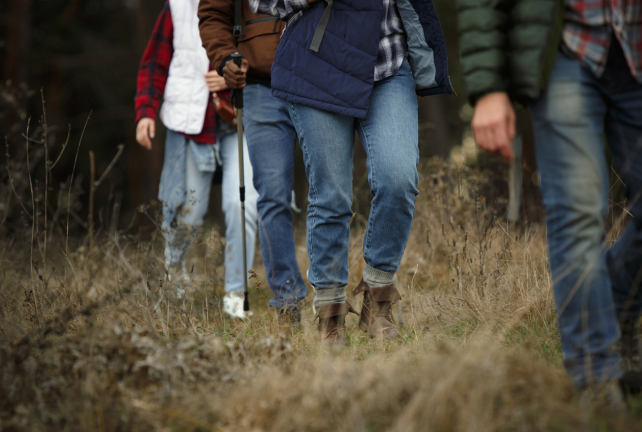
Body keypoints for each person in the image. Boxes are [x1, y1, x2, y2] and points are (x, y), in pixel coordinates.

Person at [458, 0, 642, 408]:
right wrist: (488, 87)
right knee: (577, 214)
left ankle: (615, 299)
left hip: (634, 43)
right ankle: (595, 380)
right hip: (565, 47)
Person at [249, 0, 454, 346]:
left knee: (398, 179)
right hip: (317, 64)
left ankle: (379, 293)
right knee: (331, 195)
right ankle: (329, 311)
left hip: (388, 61)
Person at [134, 0, 259, 319]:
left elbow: (269, 53)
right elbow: (154, 64)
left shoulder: (251, 3)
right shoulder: (176, 7)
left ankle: (235, 296)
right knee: (185, 211)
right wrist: (146, 112)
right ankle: (175, 288)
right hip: (187, 124)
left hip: (240, 122)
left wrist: (236, 74)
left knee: (242, 205)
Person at [198, 0, 308, 329]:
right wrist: (224, 58)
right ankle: (288, 304)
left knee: (327, 190)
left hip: (317, 77)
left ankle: (331, 295)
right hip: (260, 84)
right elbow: (213, 15)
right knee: (272, 195)